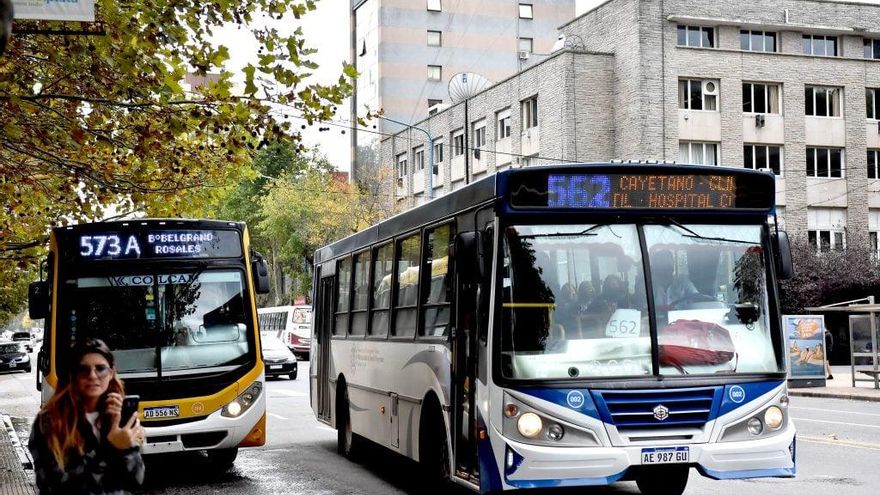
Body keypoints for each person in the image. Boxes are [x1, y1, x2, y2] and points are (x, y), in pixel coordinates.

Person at [29, 338, 145, 495]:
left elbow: (135, 480)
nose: (92, 375)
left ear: (111, 373)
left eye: (100, 368)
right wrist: (111, 449)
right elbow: (52, 485)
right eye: (83, 369)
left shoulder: (118, 417)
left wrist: (127, 450)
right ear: (73, 375)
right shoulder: (50, 421)